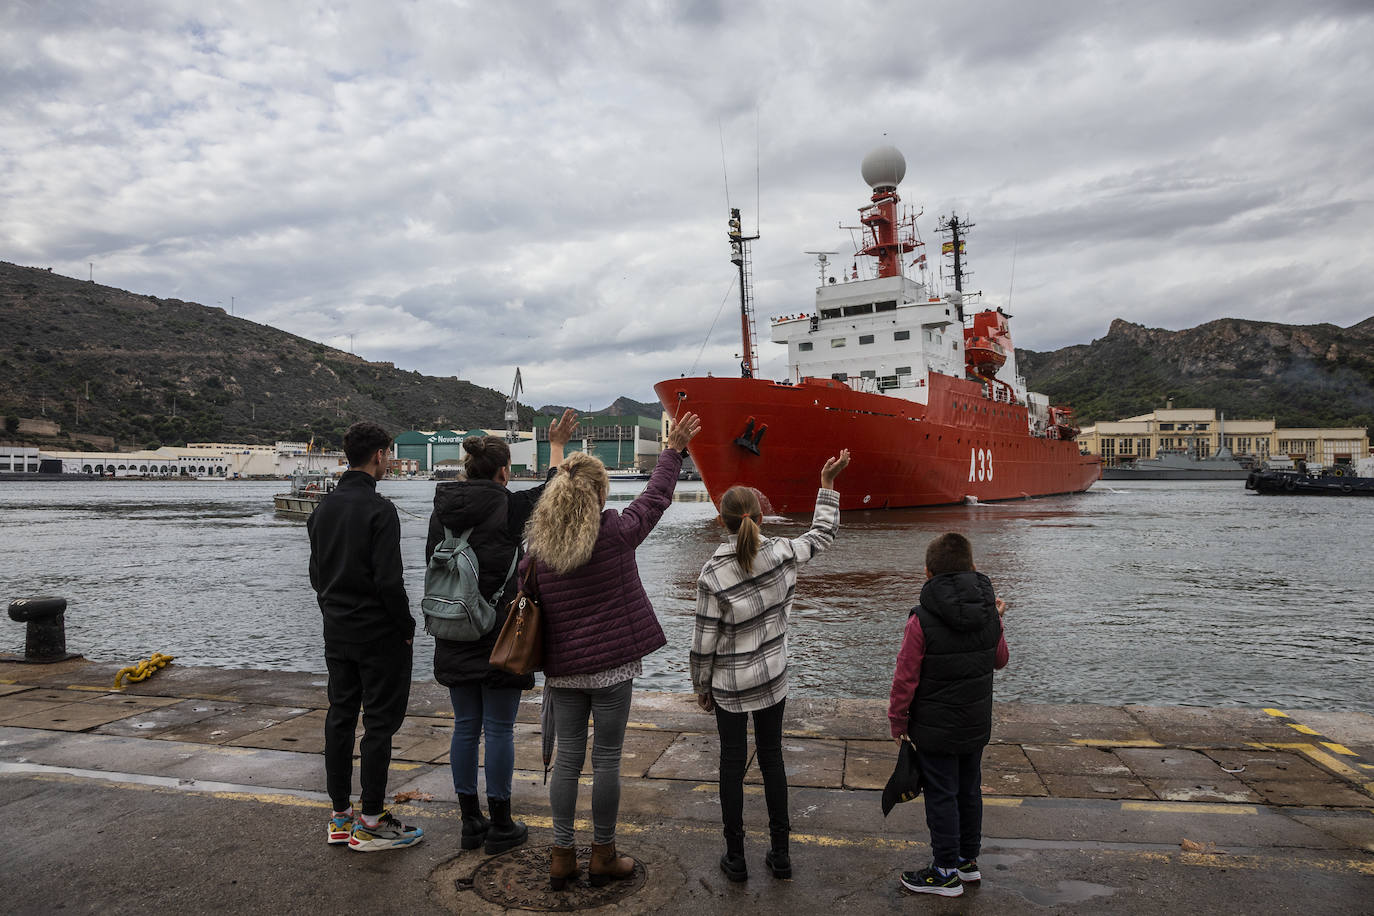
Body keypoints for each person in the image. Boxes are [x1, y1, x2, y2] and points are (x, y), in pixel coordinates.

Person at [522, 411, 702, 890]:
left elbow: (555, 499)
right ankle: (603, 853)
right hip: (612, 672)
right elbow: (656, 498)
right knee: (606, 761)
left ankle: (562, 854)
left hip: (562, 672)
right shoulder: (617, 533)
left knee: (566, 761)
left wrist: (557, 454)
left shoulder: (538, 551)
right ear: (601, 494)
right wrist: (673, 451)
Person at [690, 450, 850, 883]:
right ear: (759, 517)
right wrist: (827, 484)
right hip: (773, 680)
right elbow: (821, 534)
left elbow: (703, 644)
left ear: (722, 520)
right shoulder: (781, 552)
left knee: (730, 765)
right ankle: (781, 856)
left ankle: (736, 858)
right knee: (773, 760)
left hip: (730, 687)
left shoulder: (712, 574)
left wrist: (701, 687)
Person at [427, 409, 578, 855]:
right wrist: (555, 445)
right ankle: (501, 824)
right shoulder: (508, 507)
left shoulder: (441, 510)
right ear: (503, 472)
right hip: (499, 633)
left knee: (464, 727)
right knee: (498, 729)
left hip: (452, 627)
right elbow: (555, 487)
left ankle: (469, 822)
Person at [307, 421, 422, 852]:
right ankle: (372, 819)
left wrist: (332, 613)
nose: (389, 461)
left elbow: (317, 575)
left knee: (339, 716)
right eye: (388, 454)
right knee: (378, 725)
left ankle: (340, 816)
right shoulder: (380, 510)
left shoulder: (322, 510)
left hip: (337, 632)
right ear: (379, 456)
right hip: (378, 634)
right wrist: (406, 628)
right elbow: (389, 581)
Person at [887, 532, 1009, 897]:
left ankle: (943, 872)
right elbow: (1000, 660)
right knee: (969, 791)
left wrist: (898, 720)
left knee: (941, 794)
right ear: (973, 567)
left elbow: (905, 677)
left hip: (935, 729)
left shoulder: (920, 620)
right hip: (975, 724)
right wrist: (998, 622)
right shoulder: (990, 614)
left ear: (927, 573)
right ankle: (968, 862)